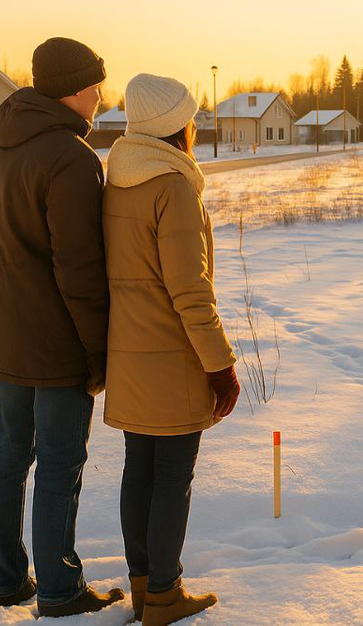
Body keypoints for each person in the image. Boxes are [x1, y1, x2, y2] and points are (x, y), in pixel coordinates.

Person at [0, 37, 125, 616]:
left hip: (8, 337)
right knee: (61, 462)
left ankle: (7, 580)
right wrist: (98, 351)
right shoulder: (71, 159)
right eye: (94, 85)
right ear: (71, 90)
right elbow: (80, 270)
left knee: (11, 453)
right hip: (58, 343)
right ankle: (60, 590)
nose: (100, 96)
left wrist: (16, 293)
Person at [102, 72, 241, 626]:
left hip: (129, 357)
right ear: (173, 127)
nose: (195, 126)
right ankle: (164, 594)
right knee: (171, 478)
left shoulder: (120, 181)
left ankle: (143, 587)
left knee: (139, 470)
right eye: (190, 117)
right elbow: (190, 290)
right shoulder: (173, 187)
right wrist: (221, 366)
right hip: (173, 359)